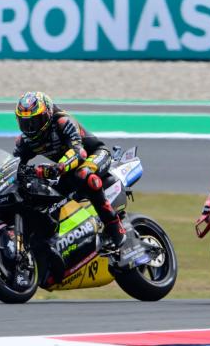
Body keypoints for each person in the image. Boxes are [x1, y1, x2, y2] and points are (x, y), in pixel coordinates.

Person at [13, 92, 127, 248]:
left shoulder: (63, 122)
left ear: (46, 115)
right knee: (45, 195)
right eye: (25, 123)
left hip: (96, 155)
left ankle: (115, 227)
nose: (30, 128)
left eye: (35, 121)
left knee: (84, 174)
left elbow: (80, 153)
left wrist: (56, 168)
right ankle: (56, 242)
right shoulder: (25, 140)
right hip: (67, 170)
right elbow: (14, 165)